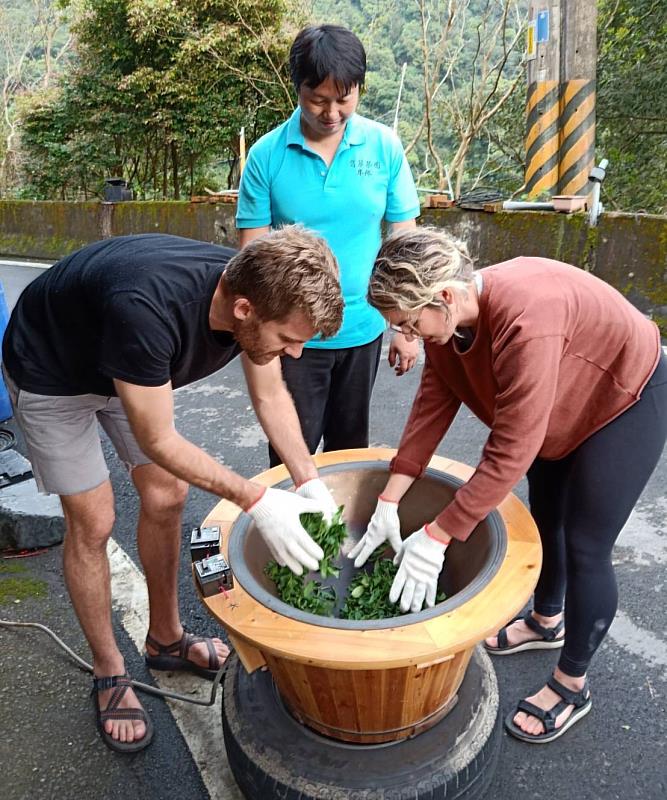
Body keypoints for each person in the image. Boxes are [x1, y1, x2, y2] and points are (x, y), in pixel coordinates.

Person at [1, 227, 344, 753]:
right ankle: (109, 668)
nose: (295, 353)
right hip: (54, 368)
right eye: (289, 339)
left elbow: (272, 395)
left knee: (168, 495)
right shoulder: (148, 307)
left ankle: (166, 639)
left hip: (130, 363)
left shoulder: (261, 287)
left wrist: (309, 481)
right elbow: (158, 438)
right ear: (245, 310)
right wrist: (256, 499)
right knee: (94, 520)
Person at [350, 226, 667, 744]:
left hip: (623, 396)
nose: (406, 336)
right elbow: (434, 403)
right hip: (563, 397)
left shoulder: (526, 319)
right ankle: (547, 621)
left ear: (445, 296)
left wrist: (439, 534)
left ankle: (571, 684)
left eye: (408, 324)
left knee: (585, 544)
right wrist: (390, 497)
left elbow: (512, 447)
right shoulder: (450, 325)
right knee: (548, 522)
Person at [236, 24, 421, 466]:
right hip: (296, 337)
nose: (332, 112)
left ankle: (339, 534)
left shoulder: (383, 147)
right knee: (289, 452)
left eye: (344, 98)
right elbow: (252, 259)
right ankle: (290, 533)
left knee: (350, 451)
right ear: (297, 87)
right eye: (318, 99)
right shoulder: (267, 156)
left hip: (362, 331)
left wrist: (406, 326)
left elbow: (405, 243)